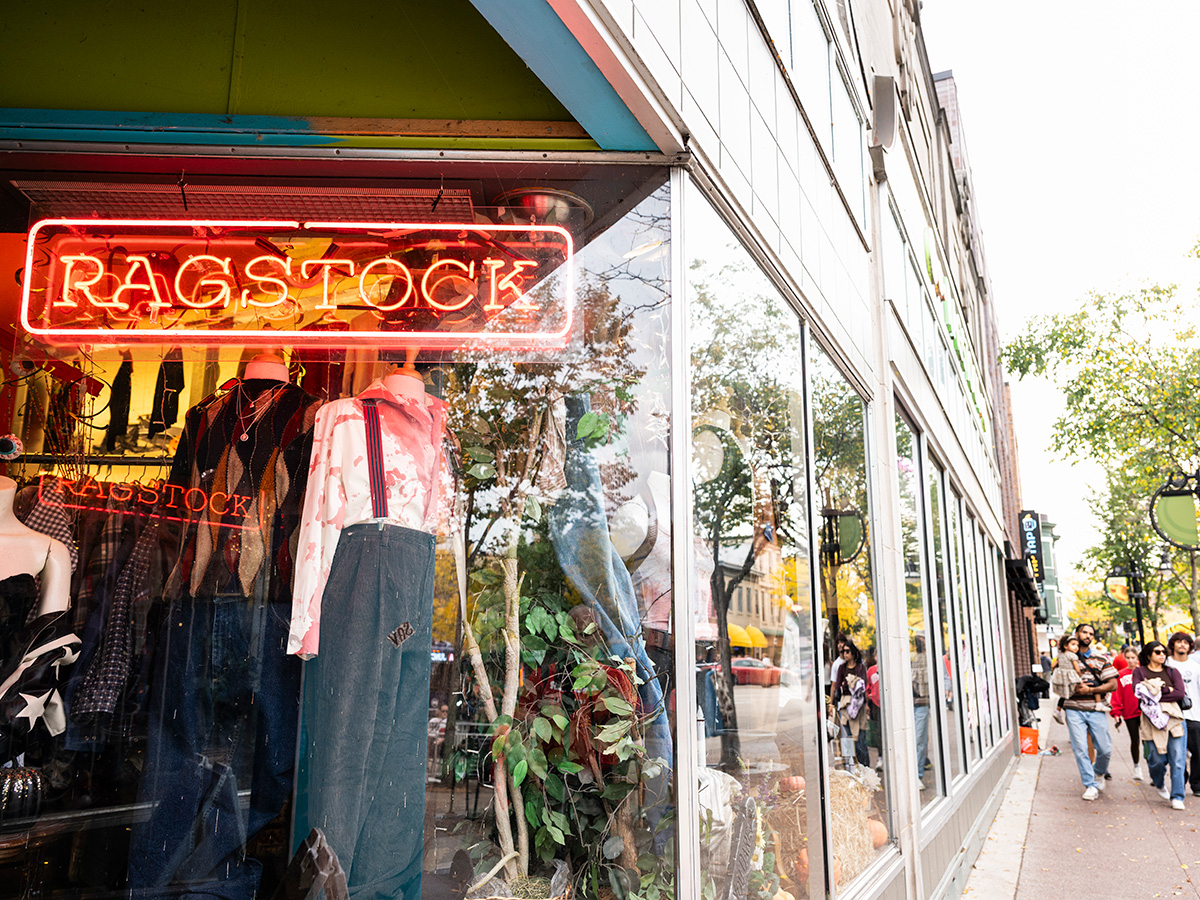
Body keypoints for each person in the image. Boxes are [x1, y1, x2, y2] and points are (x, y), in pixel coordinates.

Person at [1061, 623, 1117, 800]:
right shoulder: (1064, 657)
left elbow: (1113, 684)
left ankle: (1099, 772)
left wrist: (1091, 691)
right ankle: (1090, 784)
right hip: (1073, 708)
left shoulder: (1100, 658)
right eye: (1084, 632)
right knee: (1080, 748)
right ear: (1076, 634)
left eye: (1090, 633)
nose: (1087, 636)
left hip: (1095, 707)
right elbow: (1057, 682)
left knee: (1105, 748)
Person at [1132, 640, 1187, 810]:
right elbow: (1140, 693)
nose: (1162, 655)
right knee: (1156, 758)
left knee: (1178, 759)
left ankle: (1177, 796)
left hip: (1174, 718)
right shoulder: (1139, 672)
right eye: (1157, 652)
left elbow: (1179, 693)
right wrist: (1165, 690)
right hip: (1150, 720)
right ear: (1148, 654)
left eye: (1164, 652)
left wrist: (1154, 692)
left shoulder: (1172, 671)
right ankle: (1159, 782)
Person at [1165, 632, 1200, 796]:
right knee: (1176, 754)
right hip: (1171, 715)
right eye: (1178, 642)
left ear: (1190, 646)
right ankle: (1181, 778)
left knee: (1198, 752)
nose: (1182, 645)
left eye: (1185, 642)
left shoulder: (1195, 666)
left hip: (1194, 715)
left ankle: (1196, 783)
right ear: (1173, 645)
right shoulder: (1166, 664)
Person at [832, 639, 869, 770]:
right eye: (843, 651)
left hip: (859, 707)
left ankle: (864, 769)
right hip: (845, 705)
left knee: (860, 740)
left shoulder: (860, 667)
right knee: (846, 738)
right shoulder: (841, 668)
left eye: (847, 651)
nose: (845, 654)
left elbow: (863, 686)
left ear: (853, 653)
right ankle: (850, 768)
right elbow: (838, 686)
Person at [1109, 648, 1144, 781]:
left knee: (1149, 741)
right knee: (1134, 740)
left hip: (1146, 712)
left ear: (1137, 658)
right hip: (1130, 712)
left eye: (1133, 657)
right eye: (1128, 658)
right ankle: (1136, 766)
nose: (1130, 660)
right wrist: (1116, 712)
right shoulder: (1121, 675)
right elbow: (1116, 696)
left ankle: (1153, 767)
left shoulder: (1144, 672)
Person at [1050, 634, 1085, 724]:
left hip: (1061, 676)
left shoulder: (1060, 655)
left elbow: (1052, 665)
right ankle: (1070, 711)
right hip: (1070, 675)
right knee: (1076, 689)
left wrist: (1057, 672)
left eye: (1077, 645)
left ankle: (1058, 710)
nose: (1076, 647)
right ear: (1065, 646)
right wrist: (1079, 675)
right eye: (1073, 644)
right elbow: (1077, 668)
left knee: (1064, 695)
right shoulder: (1072, 656)